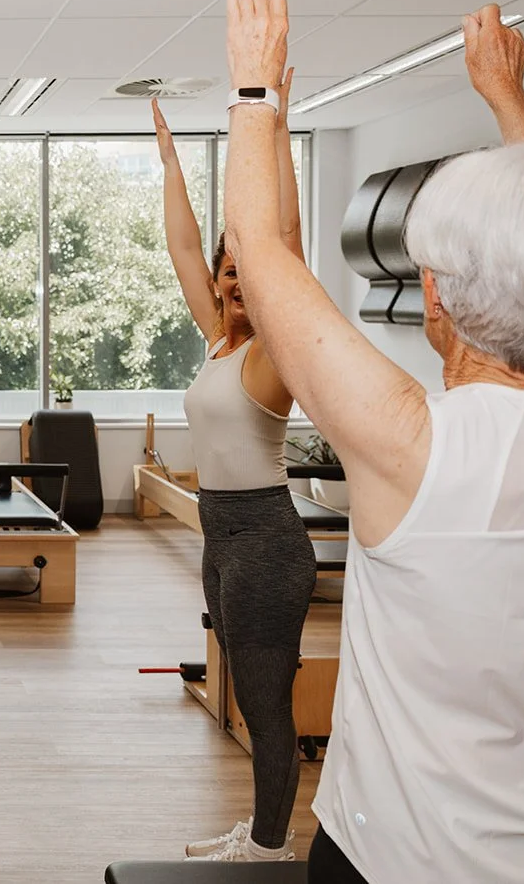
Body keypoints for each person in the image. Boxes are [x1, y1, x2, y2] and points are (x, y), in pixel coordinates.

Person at [221, 0, 524, 884]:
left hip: (395, 856)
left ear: (434, 298)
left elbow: (261, 250)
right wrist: (507, 99)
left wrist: (253, 94)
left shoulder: (412, 443)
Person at [155, 78, 314, 862]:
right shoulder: (218, 339)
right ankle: (261, 831)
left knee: (264, 702)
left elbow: (284, 239)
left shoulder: (273, 352)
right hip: (221, 537)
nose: (234, 276)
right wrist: (168, 158)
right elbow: (183, 245)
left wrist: (273, 128)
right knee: (249, 697)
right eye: (228, 268)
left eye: (248, 269)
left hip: (264, 539)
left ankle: (271, 846)